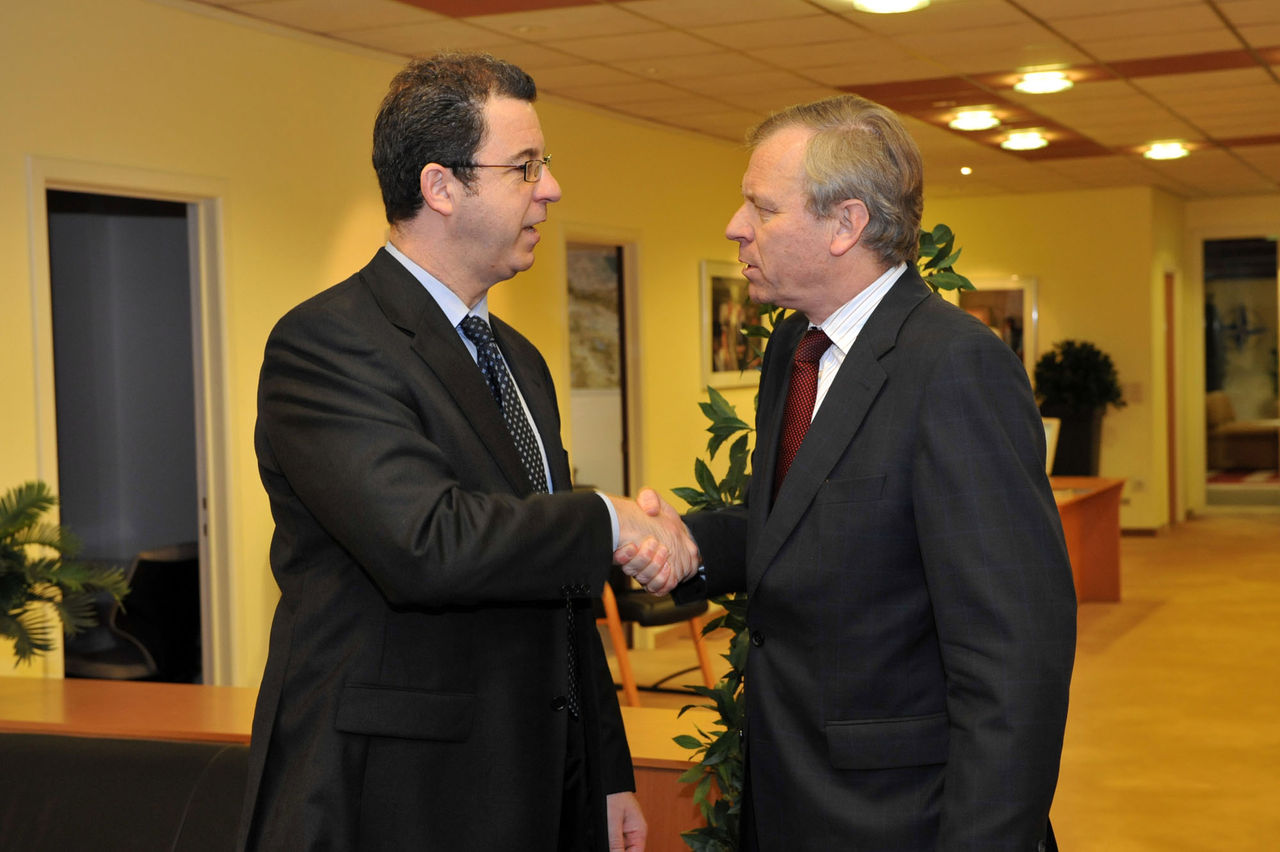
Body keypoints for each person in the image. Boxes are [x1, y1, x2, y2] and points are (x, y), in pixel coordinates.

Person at [239, 53, 697, 852]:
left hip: (540, 781)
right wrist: (610, 521)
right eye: (525, 167)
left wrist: (610, 767)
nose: (550, 188)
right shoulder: (327, 346)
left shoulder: (519, 358)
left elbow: (562, 597)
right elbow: (430, 542)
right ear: (441, 187)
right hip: (398, 798)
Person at [619, 94, 1077, 849]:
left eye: (760, 207)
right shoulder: (792, 353)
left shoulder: (955, 367)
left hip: (906, 819)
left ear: (847, 224)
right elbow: (804, 523)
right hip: (792, 799)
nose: (736, 227)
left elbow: (1014, 659)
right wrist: (690, 544)